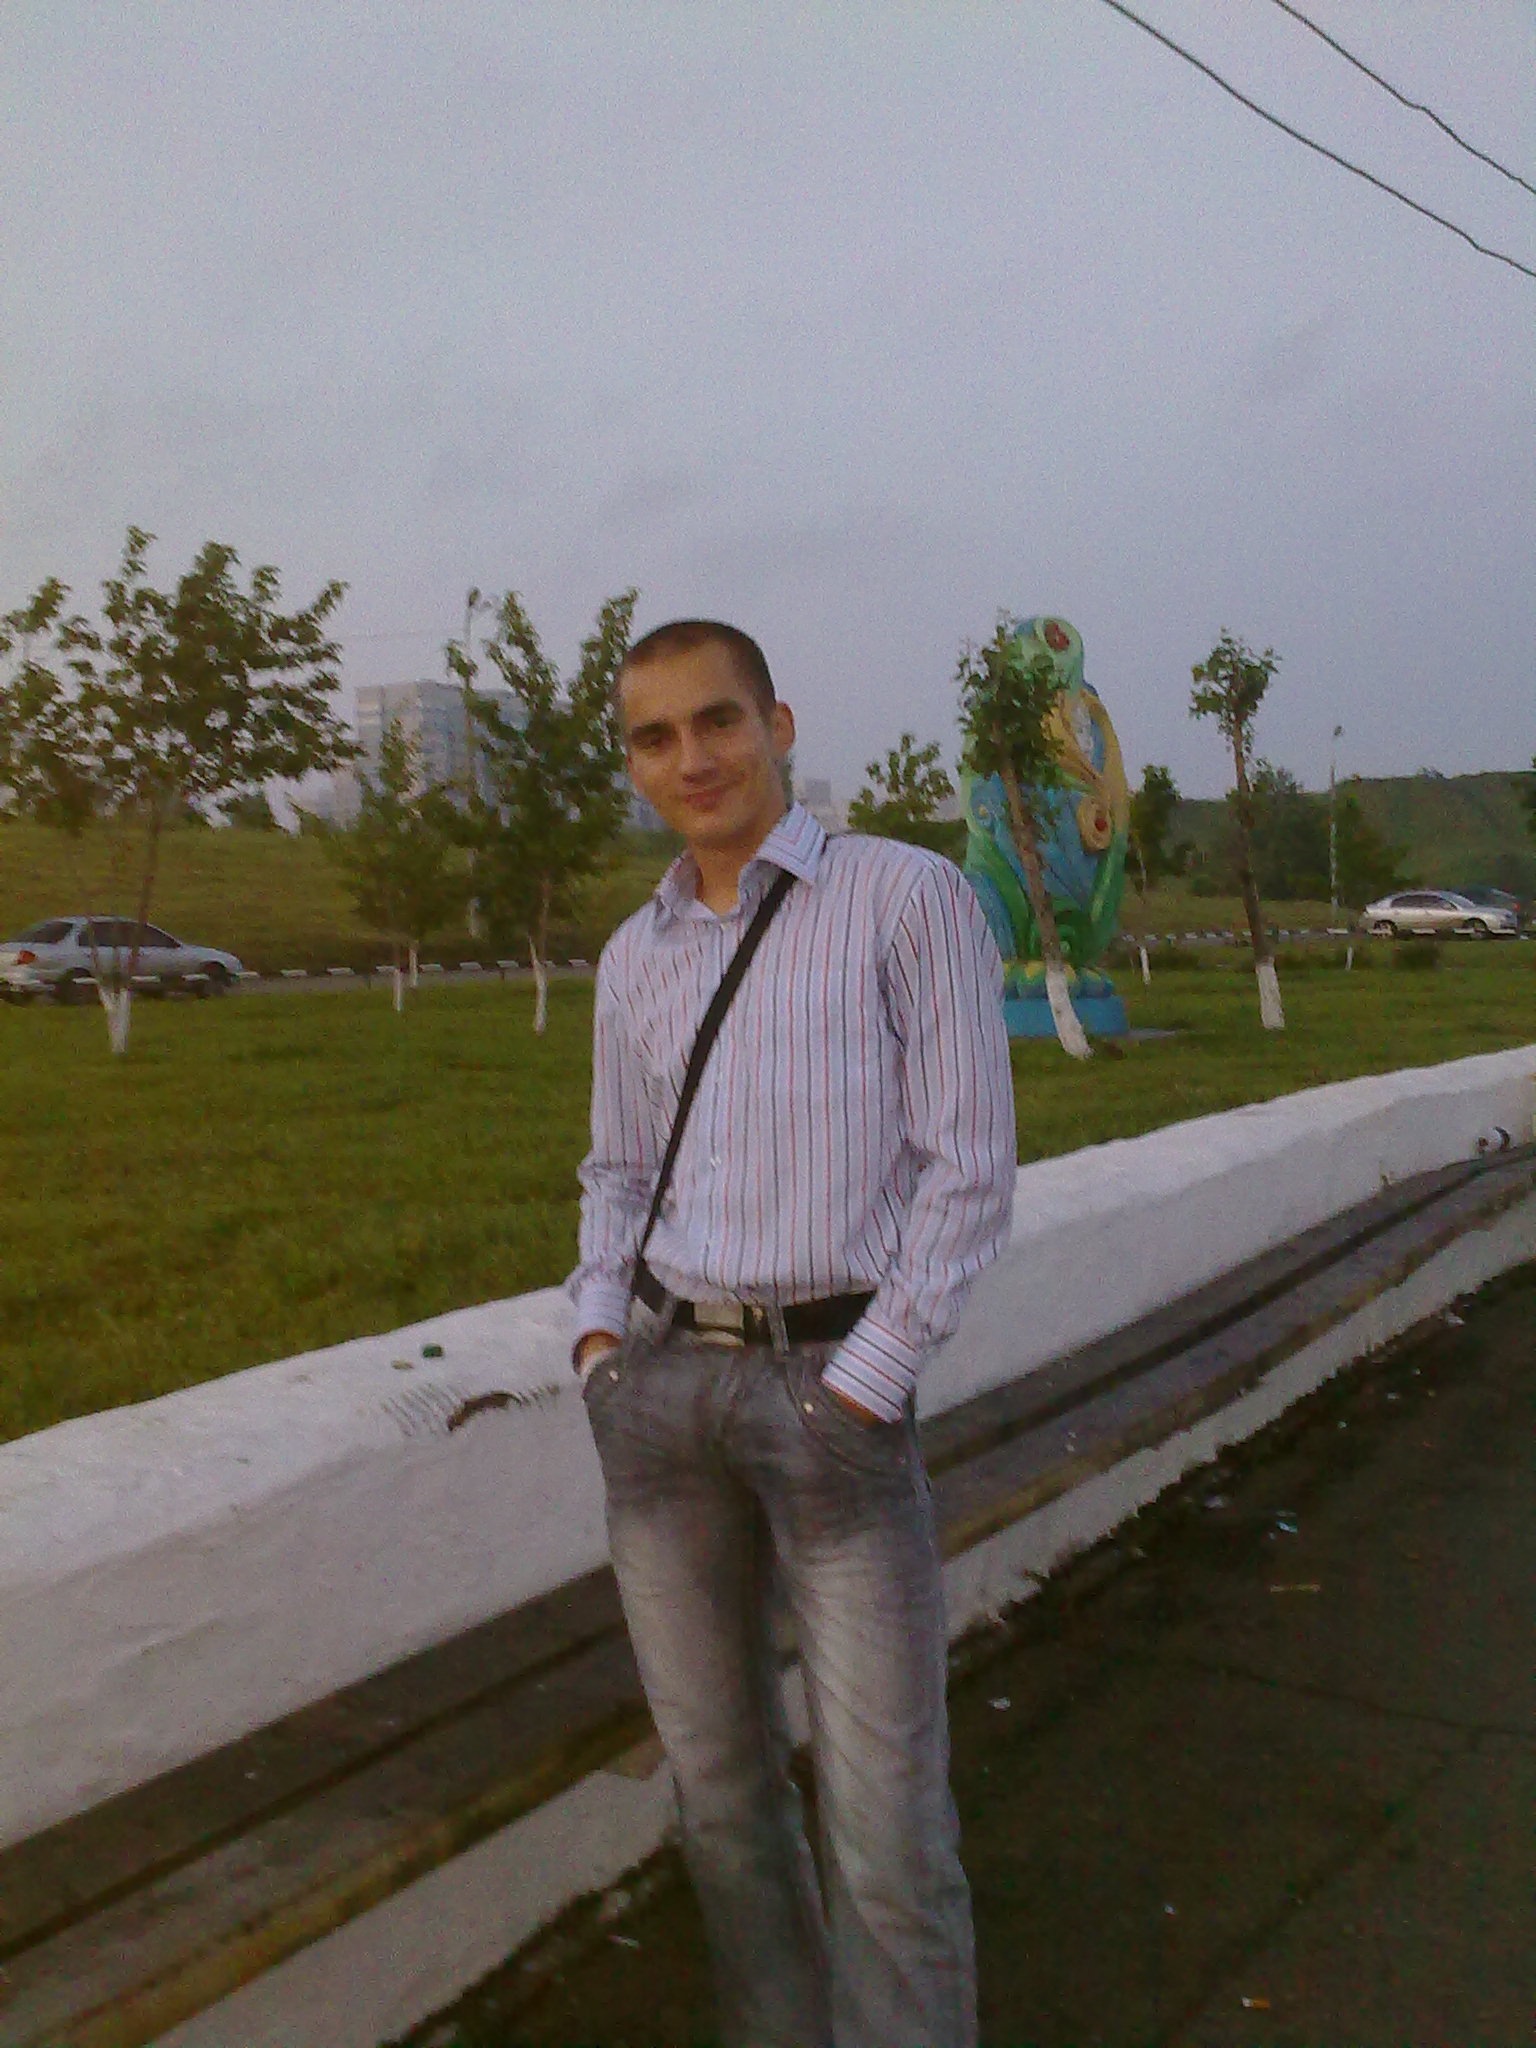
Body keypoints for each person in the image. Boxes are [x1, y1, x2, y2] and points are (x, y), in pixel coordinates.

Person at [568, 618, 1016, 2048]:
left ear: (779, 723)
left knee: (885, 1827)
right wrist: (598, 1348)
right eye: (654, 736)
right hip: (660, 1399)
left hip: (833, 1392)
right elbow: (616, 1173)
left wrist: (869, 1382)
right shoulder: (633, 956)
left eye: (718, 720)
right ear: (634, 763)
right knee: (721, 1799)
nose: (691, 758)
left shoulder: (905, 897)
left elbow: (967, 1169)